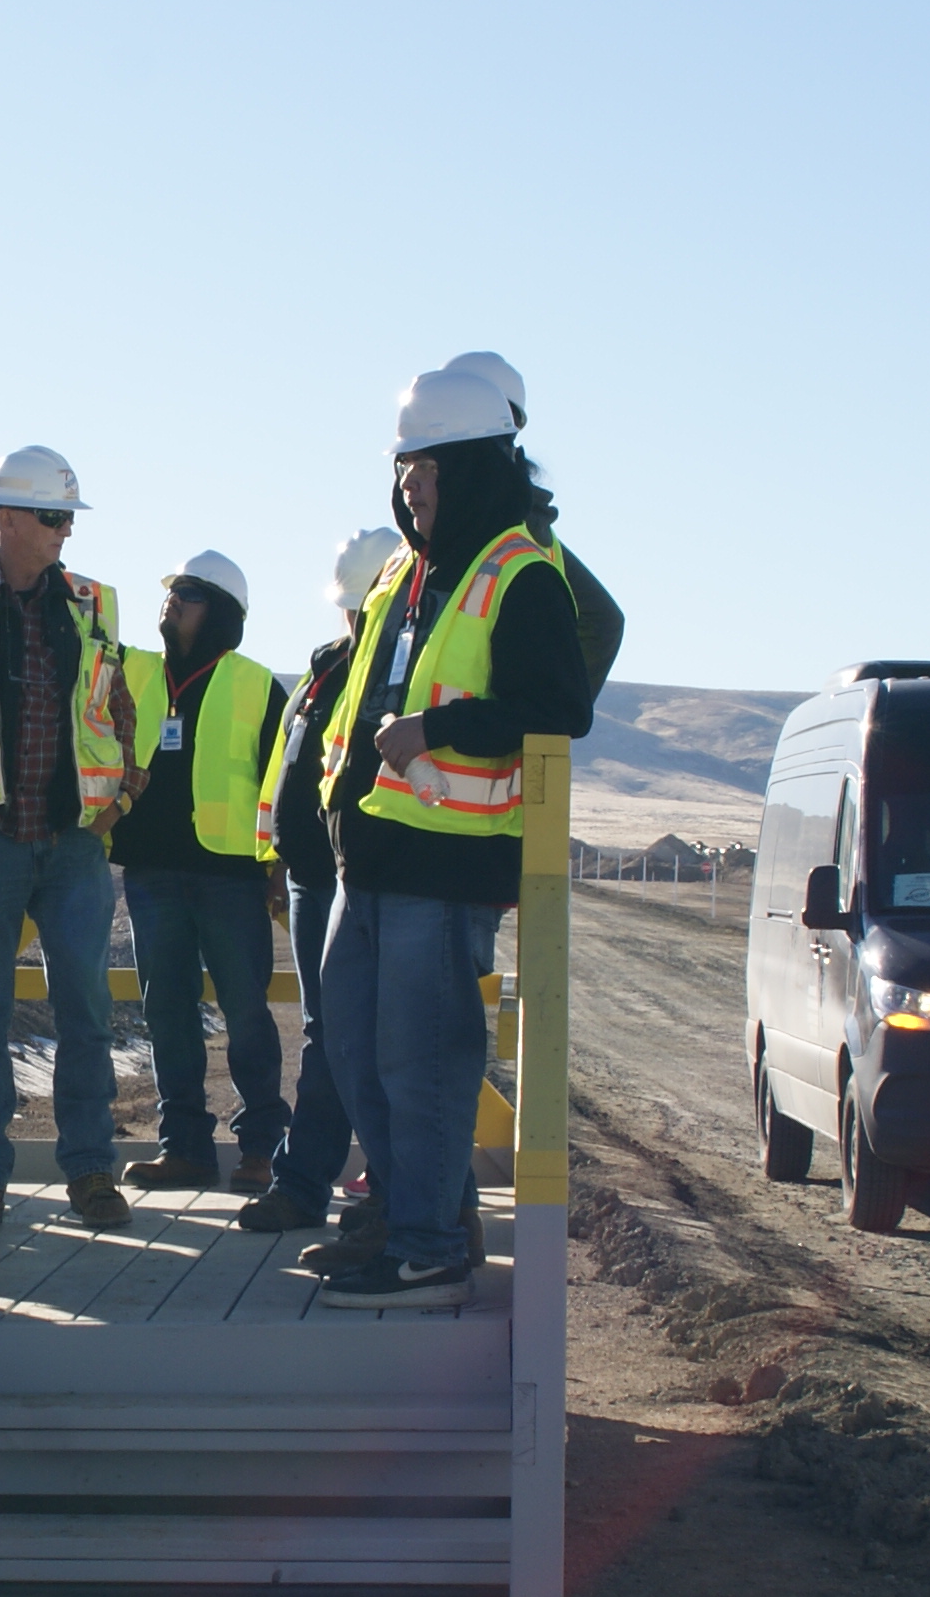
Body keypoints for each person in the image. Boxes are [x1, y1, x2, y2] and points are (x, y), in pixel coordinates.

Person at [311, 368, 596, 1307]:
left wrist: (437, 732)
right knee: (353, 1043)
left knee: (423, 1062)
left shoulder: (522, 575)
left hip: (445, 864)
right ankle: (400, 1217)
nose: (410, 487)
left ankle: (430, 1246)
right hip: (372, 852)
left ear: (475, 469)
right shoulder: (408, 573)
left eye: (428, 468)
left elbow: (556, 705)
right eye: (403, 469)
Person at [0, 445, 139, 1234]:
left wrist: (121, 791)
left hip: (74, 843)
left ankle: (91, 1171)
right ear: (5, 518)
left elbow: (116, 706)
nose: (64, 534)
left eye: (67, 519)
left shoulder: (90, 604)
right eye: (52, 518)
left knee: (85, 1009)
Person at [110, 551, 290, 1194]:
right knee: (167, 1013)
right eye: (172, 592)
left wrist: (277, 867)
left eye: (189, 593)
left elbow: (284, 782)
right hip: (153, 872)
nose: (173, 601)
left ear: (221, 614)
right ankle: (183, 1147)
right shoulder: (134, 669)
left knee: (245, 1014)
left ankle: (264, 1148)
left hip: (231, 873)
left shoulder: (257, 684)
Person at [257, 526, 399, 1246]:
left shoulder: (392, 671)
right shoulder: (327, 669)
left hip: (364, 878)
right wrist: (274, 859)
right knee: (328, 1033)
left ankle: (366, 1189)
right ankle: (308, 1184)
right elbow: (292, 770)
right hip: (315, 876)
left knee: (365, 1039)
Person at [441, 350, 625, 689]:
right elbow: (605, 621)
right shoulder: (528, 520)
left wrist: (544, 712)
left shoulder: (493, 517)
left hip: (459, 735)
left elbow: (604, 621)